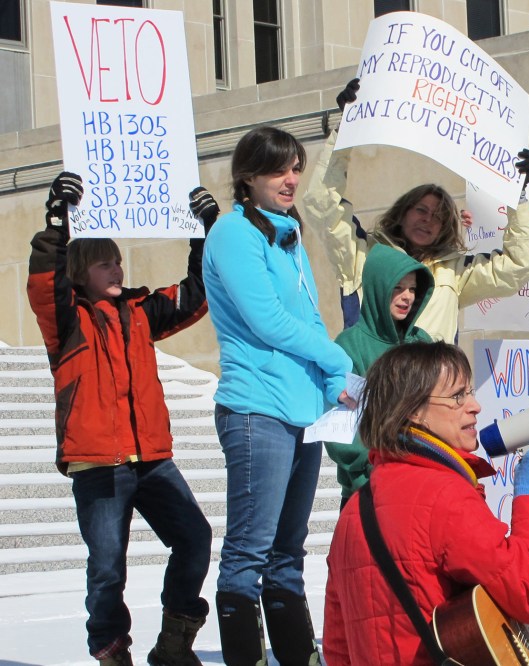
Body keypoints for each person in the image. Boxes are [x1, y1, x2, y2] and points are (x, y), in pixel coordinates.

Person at [27, 172, 213, 666]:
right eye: (105, 261)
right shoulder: (67, 321)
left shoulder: (140, 310)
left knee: (195, 539)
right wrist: (56, 220)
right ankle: (111, 650)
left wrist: (204, 232)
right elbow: (45, 282)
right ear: (82, 269)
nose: (116, 267)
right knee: (108, 568)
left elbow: (196, 293)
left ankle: (174, 644)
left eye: (118, 260)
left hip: (151, 457)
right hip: (98, 463)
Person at [199, 126, 354, 665]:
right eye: (278, 170)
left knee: (287, 554)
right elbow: (266, 320)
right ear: (248, 176)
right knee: (249, 552)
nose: (290, 179)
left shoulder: (286, 231)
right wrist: (336, 358)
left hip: (301, 409)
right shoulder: (233, 233)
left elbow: (309, 314)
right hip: (256, 407)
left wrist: (333, 381)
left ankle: (296, 657)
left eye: (295, 168)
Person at [322, 341, 529, 664]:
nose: (475, 406)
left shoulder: (354, 510)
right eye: (458, 396)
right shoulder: (445, 497)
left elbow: (338, 648)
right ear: (414, 411)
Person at [303, 78, 529, 342]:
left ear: (445, 228)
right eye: (421, 210)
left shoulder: (455, 271)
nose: (428, 219)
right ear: (402, 213)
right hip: (374, 378)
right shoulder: (363, 254)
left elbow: (517, 266)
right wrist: (345, 130)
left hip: (434, 381)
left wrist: (516, 195)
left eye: (438, 217)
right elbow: (322, 203)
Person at [327, 243, 434, 501]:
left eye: (412, 289)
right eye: (397, 288)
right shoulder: (350, 345)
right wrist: (370, 467)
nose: (407, 297)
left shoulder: (423, 343)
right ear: (378, 288)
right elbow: (340, 427)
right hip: (368, 489)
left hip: (422, 484)